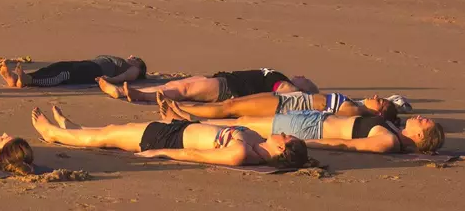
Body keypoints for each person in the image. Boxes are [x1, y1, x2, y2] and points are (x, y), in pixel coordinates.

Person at [30, 105, 308, 168]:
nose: (283, 133)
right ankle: (72, 128)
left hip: (168, 140)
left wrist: (159, 152)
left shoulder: (241, 154)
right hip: (176, 128)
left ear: (283, 149)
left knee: (108, 136)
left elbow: (196, 155)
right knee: (115, 128)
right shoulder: (257, 139)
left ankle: (53, 134)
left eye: (287, 137)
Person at [159, 95, 444, 155]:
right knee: (244, 121)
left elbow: (347, 144)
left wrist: (306, 143)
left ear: (420, 135)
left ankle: (185, 120)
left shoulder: (389, 141)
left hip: (311, 131)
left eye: (424, 121)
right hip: (314, 121)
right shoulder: (393, 130)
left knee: (246, 125)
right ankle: (184, 117)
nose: (420, 117)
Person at [97, 67, 313, 103]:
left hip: (230, 89)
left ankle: (136, 95)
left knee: (182, 91)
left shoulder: (283, 83)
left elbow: (287, 93)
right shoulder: (279, 77)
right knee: (175, 83)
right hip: (223, 78)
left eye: (306, 80)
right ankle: (129, 92)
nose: (302, 75)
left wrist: (305, 95)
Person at [161, 90, 399, 122]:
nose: (375, 95)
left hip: (286, 106)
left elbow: (320, 116)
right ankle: (182, 110)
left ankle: (182, 110)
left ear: (378, 111)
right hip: (288, 99)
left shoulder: (353, 111)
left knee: (230, 107)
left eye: (379, 100)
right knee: (230, 106)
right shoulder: (355, 105)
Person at [0, 55, 146, 88]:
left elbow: (126, 77)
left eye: (136, 58)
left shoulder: (134, 69)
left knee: (63, 75)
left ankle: (30, 81)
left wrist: (109, 80)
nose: (132, 56)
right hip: (89, 64)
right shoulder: (128, 64)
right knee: (57, 66)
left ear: (139, 66)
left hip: (94, 70)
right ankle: (19, 79)